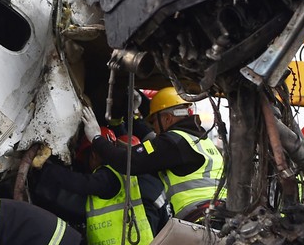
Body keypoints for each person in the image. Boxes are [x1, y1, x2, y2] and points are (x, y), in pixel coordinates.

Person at [35, 130, 168, 245]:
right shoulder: (132, 177)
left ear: (94, 155)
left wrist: (47, 169)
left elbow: (81, 184)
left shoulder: (110, 173)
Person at [88, 87, 226, 223]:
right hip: (221, 216)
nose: (154, 127)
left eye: (154, 121)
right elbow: (151, 141)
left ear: (167, 118)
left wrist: (96, 139)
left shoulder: (173, 141)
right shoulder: (200, 139)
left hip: (201, 220)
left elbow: (129, 162)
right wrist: (132, 115)